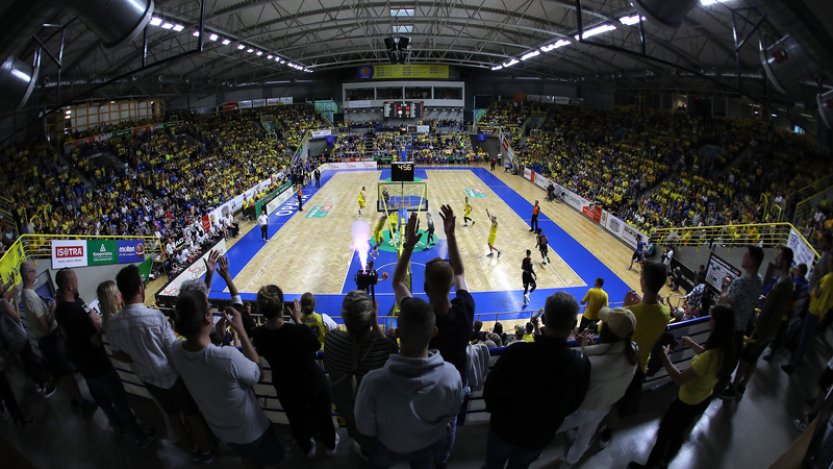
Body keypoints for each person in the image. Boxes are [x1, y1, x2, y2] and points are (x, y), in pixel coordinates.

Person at [106, 265, 213, 462]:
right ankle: (206, 453)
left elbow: (117, 353)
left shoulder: (113, 324)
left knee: (172, 417)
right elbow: (174, 350)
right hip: (173, 378)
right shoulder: (154, 317)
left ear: (122, 292)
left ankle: (193, 450)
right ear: (140, 288)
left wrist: (137, 358)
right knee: (192, 416)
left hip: (149, 381)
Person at [393, 206, 474, 468]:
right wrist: (450, 235)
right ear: (450, 287)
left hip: (422, 391)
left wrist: (408, 244)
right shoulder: (465, 309)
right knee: (446, 432)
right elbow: (460, 273)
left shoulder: (418, 315)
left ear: (425, 287)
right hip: (452, 390)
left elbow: (398, 283)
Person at [170, 291, 284, 468]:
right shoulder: (227, 357)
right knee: (271, 460)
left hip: (221, 430)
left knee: (246, 458)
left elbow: (201, 357)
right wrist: (241, 331)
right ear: (208, 317)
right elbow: (257, 374)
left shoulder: (175, 350)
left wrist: (216, 339)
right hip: (252, 431)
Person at [483, 292, 591, 469]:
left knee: (492, 465)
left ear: (544, 319)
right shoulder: (580, 364)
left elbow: (490, 391)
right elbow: (573, 405)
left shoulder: (516, 352)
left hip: (503, 429)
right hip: (538, 437)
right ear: (574, 325)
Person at [355, 296, 464, 469]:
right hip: (429, 445)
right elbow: (452, 411)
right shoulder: (451, 375)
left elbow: (365, 428)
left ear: (397, 334)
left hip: (389, 447)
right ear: (434, 331)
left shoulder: (373, 382)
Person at [53, 269, 155, 447]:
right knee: (120, 402)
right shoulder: (78, 312)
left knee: (104, 402)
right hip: (99, 365)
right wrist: (95, 324)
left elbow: (65, 332)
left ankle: (118, 427)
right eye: (75, 281)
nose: (77, 284)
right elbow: (96, 340)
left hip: (83, 366)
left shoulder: (60, 309)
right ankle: (140, 436)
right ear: (69, 286)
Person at [628, 305, 736, 469]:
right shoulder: (726, 349)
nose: (710, 321)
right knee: (679, 434)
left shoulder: (708, 356)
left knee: (664, 434)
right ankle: (665, 462)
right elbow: (706, 359)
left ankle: (650, 466)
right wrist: (692, 344)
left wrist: (665, 358)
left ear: (718, 324)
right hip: (703, 397)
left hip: (686, 402)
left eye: (712, 318)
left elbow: (679, 378)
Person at [251, 285, 338, 459]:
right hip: (312, 383)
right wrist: (298, 319)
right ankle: (330, 446)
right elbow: (314, 345)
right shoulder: (299, 330)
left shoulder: (258, 334)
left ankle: (308, 449)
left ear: (261, 310)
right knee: (324, 417)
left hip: (285, 385)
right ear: (282, 306)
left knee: (296, 419)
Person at [599, 261, 670, 446]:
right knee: (621, 405)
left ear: (644, 282)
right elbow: (650, 320)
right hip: (639, 366)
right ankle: (607, 434)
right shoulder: (665, 312)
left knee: (607, 400)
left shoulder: (629, 311)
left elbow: (604, 318)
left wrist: (625, 306)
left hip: (619, 362)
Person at [558, 307, 638, 466]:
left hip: (583, 407)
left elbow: (582, 373)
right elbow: (610, 358)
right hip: (605, 404)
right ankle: (570, 461)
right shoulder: (633, 350)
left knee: (554, 426)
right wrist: (587, 348)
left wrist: (582, 348)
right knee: (586, 435)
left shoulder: (592, 362)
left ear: (607, 330)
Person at [324, 291, 397, 460]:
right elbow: (388, 348)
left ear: (344, 317)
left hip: (346, 406)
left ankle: (365, 449)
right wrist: (376, 324)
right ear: (371, 316)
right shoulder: (385, 347)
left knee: (358, 431)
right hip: (376, 411)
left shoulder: (331, 339)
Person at [722, 246, 793, 399]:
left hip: (763, 329)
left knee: (745, 358)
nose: (776, 258)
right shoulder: (770, 279)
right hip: (756, 325)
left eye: (779, 256)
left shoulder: (785, 285)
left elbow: (778, 312)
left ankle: (734, 389)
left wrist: (762, 332)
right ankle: (740, 386)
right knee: (749, 359)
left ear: (785, 261)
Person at [18, 262, 90, 411]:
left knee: (65, 375)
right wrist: (53, 309)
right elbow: (45, 326)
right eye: (33, 270)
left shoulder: (25, 294)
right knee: (67, 375)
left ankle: (75, 401)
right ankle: (81, 403)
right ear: (27, 275)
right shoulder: (31, 297)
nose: (36, 271)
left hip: (47, 342)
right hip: (51, 340)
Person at [719, 246, 763, 382]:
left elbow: (725, 300)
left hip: (729, 328)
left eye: (745, 255)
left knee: (720, 361)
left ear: (751, 261)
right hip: (742, 328)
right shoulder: (759, 279)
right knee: (731, 362)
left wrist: (725, 285)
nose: (743, 257)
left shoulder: (739, 282)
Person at [784, 254, 833, 373]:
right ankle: (795, 358)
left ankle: (794, 364)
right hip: (817, 311)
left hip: (814, 312)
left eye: (830, 261)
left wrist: (817, 278)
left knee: (804, 339)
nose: (828, 263)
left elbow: (817, 294)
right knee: (804, 337)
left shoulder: (829, 279)